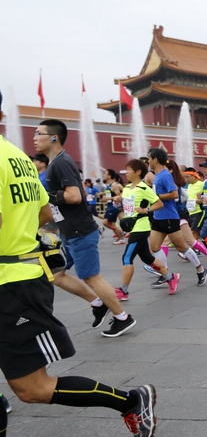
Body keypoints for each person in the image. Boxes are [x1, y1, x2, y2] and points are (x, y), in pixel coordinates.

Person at [0, 102, 158, 437]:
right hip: (19, 273)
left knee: (33, 388)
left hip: (11, 284)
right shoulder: (15, 157)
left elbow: (51, 207)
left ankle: (130, 400)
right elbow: (40, 213)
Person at [34, 120, 137, 337]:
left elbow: (74, 196)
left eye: (39, 133)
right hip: (69, 232)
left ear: (54, 137)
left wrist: (46, 196)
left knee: (92, 277)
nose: (35, 137)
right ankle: (98, 303)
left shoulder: (61, 163)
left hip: (80, 231)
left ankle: (122, 317)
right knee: (57, 275)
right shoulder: (56, 163)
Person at [146, 148, 207, 287]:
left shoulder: (165, 175)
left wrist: (155, 196)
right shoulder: (157, 175)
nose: (148, 161)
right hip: (158, 216)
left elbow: (174, 195)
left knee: (182, 247)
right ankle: (166, 274)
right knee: (155, 247)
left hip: (169, 217)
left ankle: (200, 270)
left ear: (155, 159)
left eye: (149, 158)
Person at [115, 159, 176, 300]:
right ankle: (170, 277)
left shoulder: (144, 188)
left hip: (141, 227)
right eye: (126, 169)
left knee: (127, 257)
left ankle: (123, 291)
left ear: (138, 172)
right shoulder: (127, 188)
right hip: (132, 226)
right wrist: (119, 199)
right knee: (147, 258)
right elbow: (128, 204)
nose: (127, 172)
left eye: (129, 169)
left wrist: (146, 210)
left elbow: (159, 203)